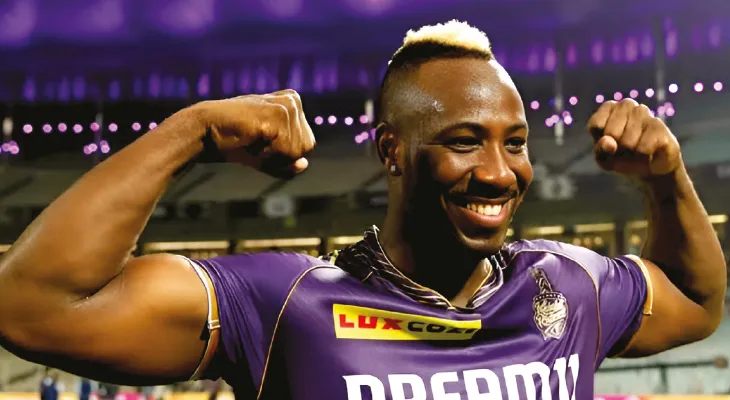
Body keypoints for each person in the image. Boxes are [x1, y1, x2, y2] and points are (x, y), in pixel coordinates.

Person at [0, 20, 726, 399]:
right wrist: (187, 132)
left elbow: (696, 302)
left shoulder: (567, 286)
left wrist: (666, 179)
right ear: (390, 152)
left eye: (515, 143)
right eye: (464, 142)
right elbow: (33, 307)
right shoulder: (285, 304)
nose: (499, 172)